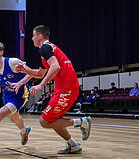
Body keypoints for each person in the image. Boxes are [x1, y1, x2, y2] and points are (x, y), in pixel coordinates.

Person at [11, 25, 91, 154]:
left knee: (45, 121)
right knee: (52, 120)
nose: (32, 38)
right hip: (64, 88)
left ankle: (81, 122)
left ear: (40, 36)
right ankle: (73, 145)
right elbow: (40, 73)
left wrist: (40, 86)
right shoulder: (47, 50)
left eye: (33, 35)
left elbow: (55, 67)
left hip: (67, 88)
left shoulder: (45, 48)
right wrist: (25, 70)